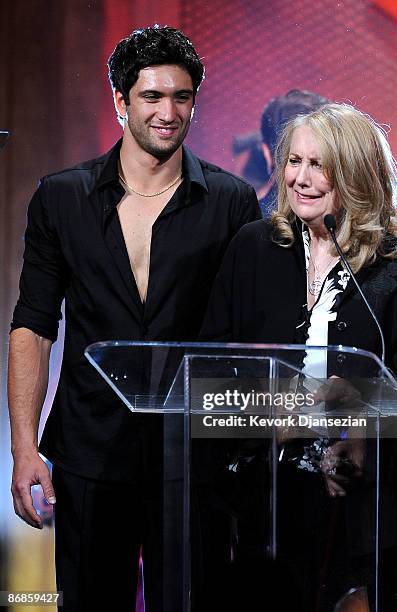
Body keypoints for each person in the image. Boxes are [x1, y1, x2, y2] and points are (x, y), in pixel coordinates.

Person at [8, 26, 261, 611]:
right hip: (91, 451)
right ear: (120, 102)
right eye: (152, 97)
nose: (168, 112)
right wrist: (25, 449)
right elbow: (34, 325)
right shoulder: (61, 197)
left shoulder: (230, 202)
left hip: (194, 457)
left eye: (181, 97)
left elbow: (252, 333)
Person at [201, 103, 397, 610]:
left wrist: (354, 416)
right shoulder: (254, 247)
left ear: (354, 174)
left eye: (319, 166)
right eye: (294, 161)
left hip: (358, 501)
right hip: (261, 496)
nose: (300, 179)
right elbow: (210, 366)